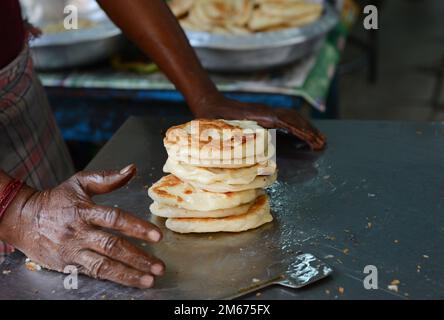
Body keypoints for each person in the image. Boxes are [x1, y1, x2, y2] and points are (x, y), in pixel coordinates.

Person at [0, 0, 326, 289]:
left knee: (62, 253)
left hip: (13, 81)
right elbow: (27, 212)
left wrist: (204, 96)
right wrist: (17, 208)